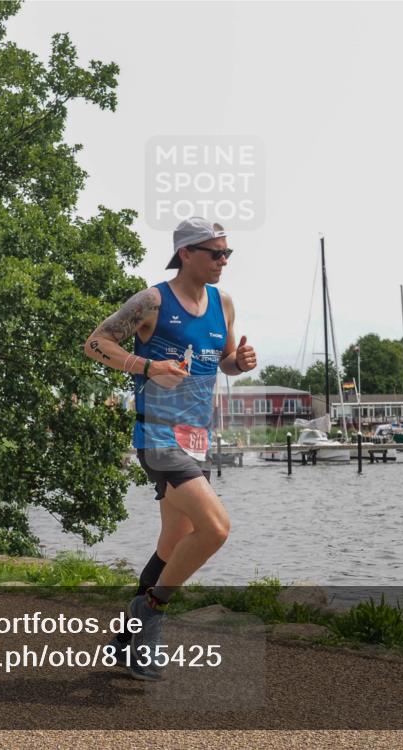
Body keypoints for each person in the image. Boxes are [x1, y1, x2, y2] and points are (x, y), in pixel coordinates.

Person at [83, 216, 257, 680]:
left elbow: (219, 361)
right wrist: (145, 366)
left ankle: (124, 641)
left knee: (174, 542)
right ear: (186, 253)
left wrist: (237, 364)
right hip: (157, 436)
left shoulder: (224, 304)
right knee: (216, 529)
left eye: (227, 253)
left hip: (195, 437)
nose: (223, 261)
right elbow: (95, 343)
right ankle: (152, 614)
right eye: (215, 253)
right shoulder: (152, 301)